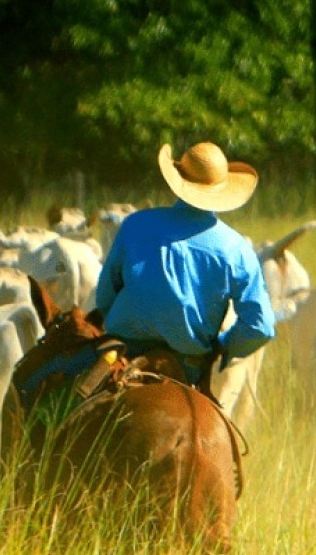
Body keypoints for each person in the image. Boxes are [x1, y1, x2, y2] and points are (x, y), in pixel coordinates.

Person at [95, 140, 276, 388]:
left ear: (178, 180)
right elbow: (260, 326)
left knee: (59, 401)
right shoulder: (237, 249)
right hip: (187, 366)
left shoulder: (136, 225)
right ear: (222, 190)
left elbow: (105, 295)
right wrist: (223, 346)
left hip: (122, 354)